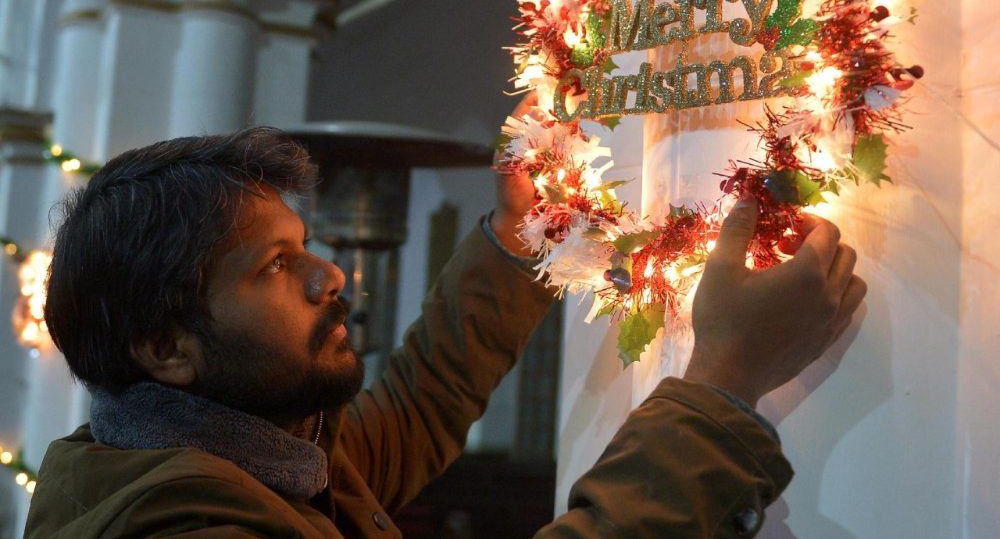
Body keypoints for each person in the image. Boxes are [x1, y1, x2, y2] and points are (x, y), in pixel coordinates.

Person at [24, 125, 865, 538]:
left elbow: (415, 407)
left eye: (307, 247)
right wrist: (722, 378)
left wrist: (516, 238)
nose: (332, 274)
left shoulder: (254, 452)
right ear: (167, 347)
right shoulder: (188, 527)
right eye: (275, 266)